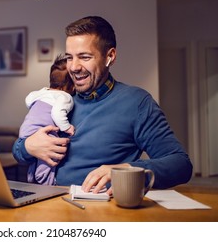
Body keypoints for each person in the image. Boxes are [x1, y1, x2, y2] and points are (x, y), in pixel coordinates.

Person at [13, 16, 193, 194]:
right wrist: (28, 146)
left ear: (110, 56)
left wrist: (126, 171)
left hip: (99, 209)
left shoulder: (137, 102)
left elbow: (181, 165)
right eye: (69, 57)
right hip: (48, 202)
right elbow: (18, 150)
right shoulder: (60, 97)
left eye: (84, 57)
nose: (74, 67)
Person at [19, 54, 75, 185]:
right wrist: (67, 127)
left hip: (27, 131)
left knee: (37, 156)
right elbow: (57, 113)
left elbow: (28, 99)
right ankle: (47, 181)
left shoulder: (42, 92)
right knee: (50, 155)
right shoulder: (66, 97)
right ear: (71, 86)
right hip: (44, 131)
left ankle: (31, 176)